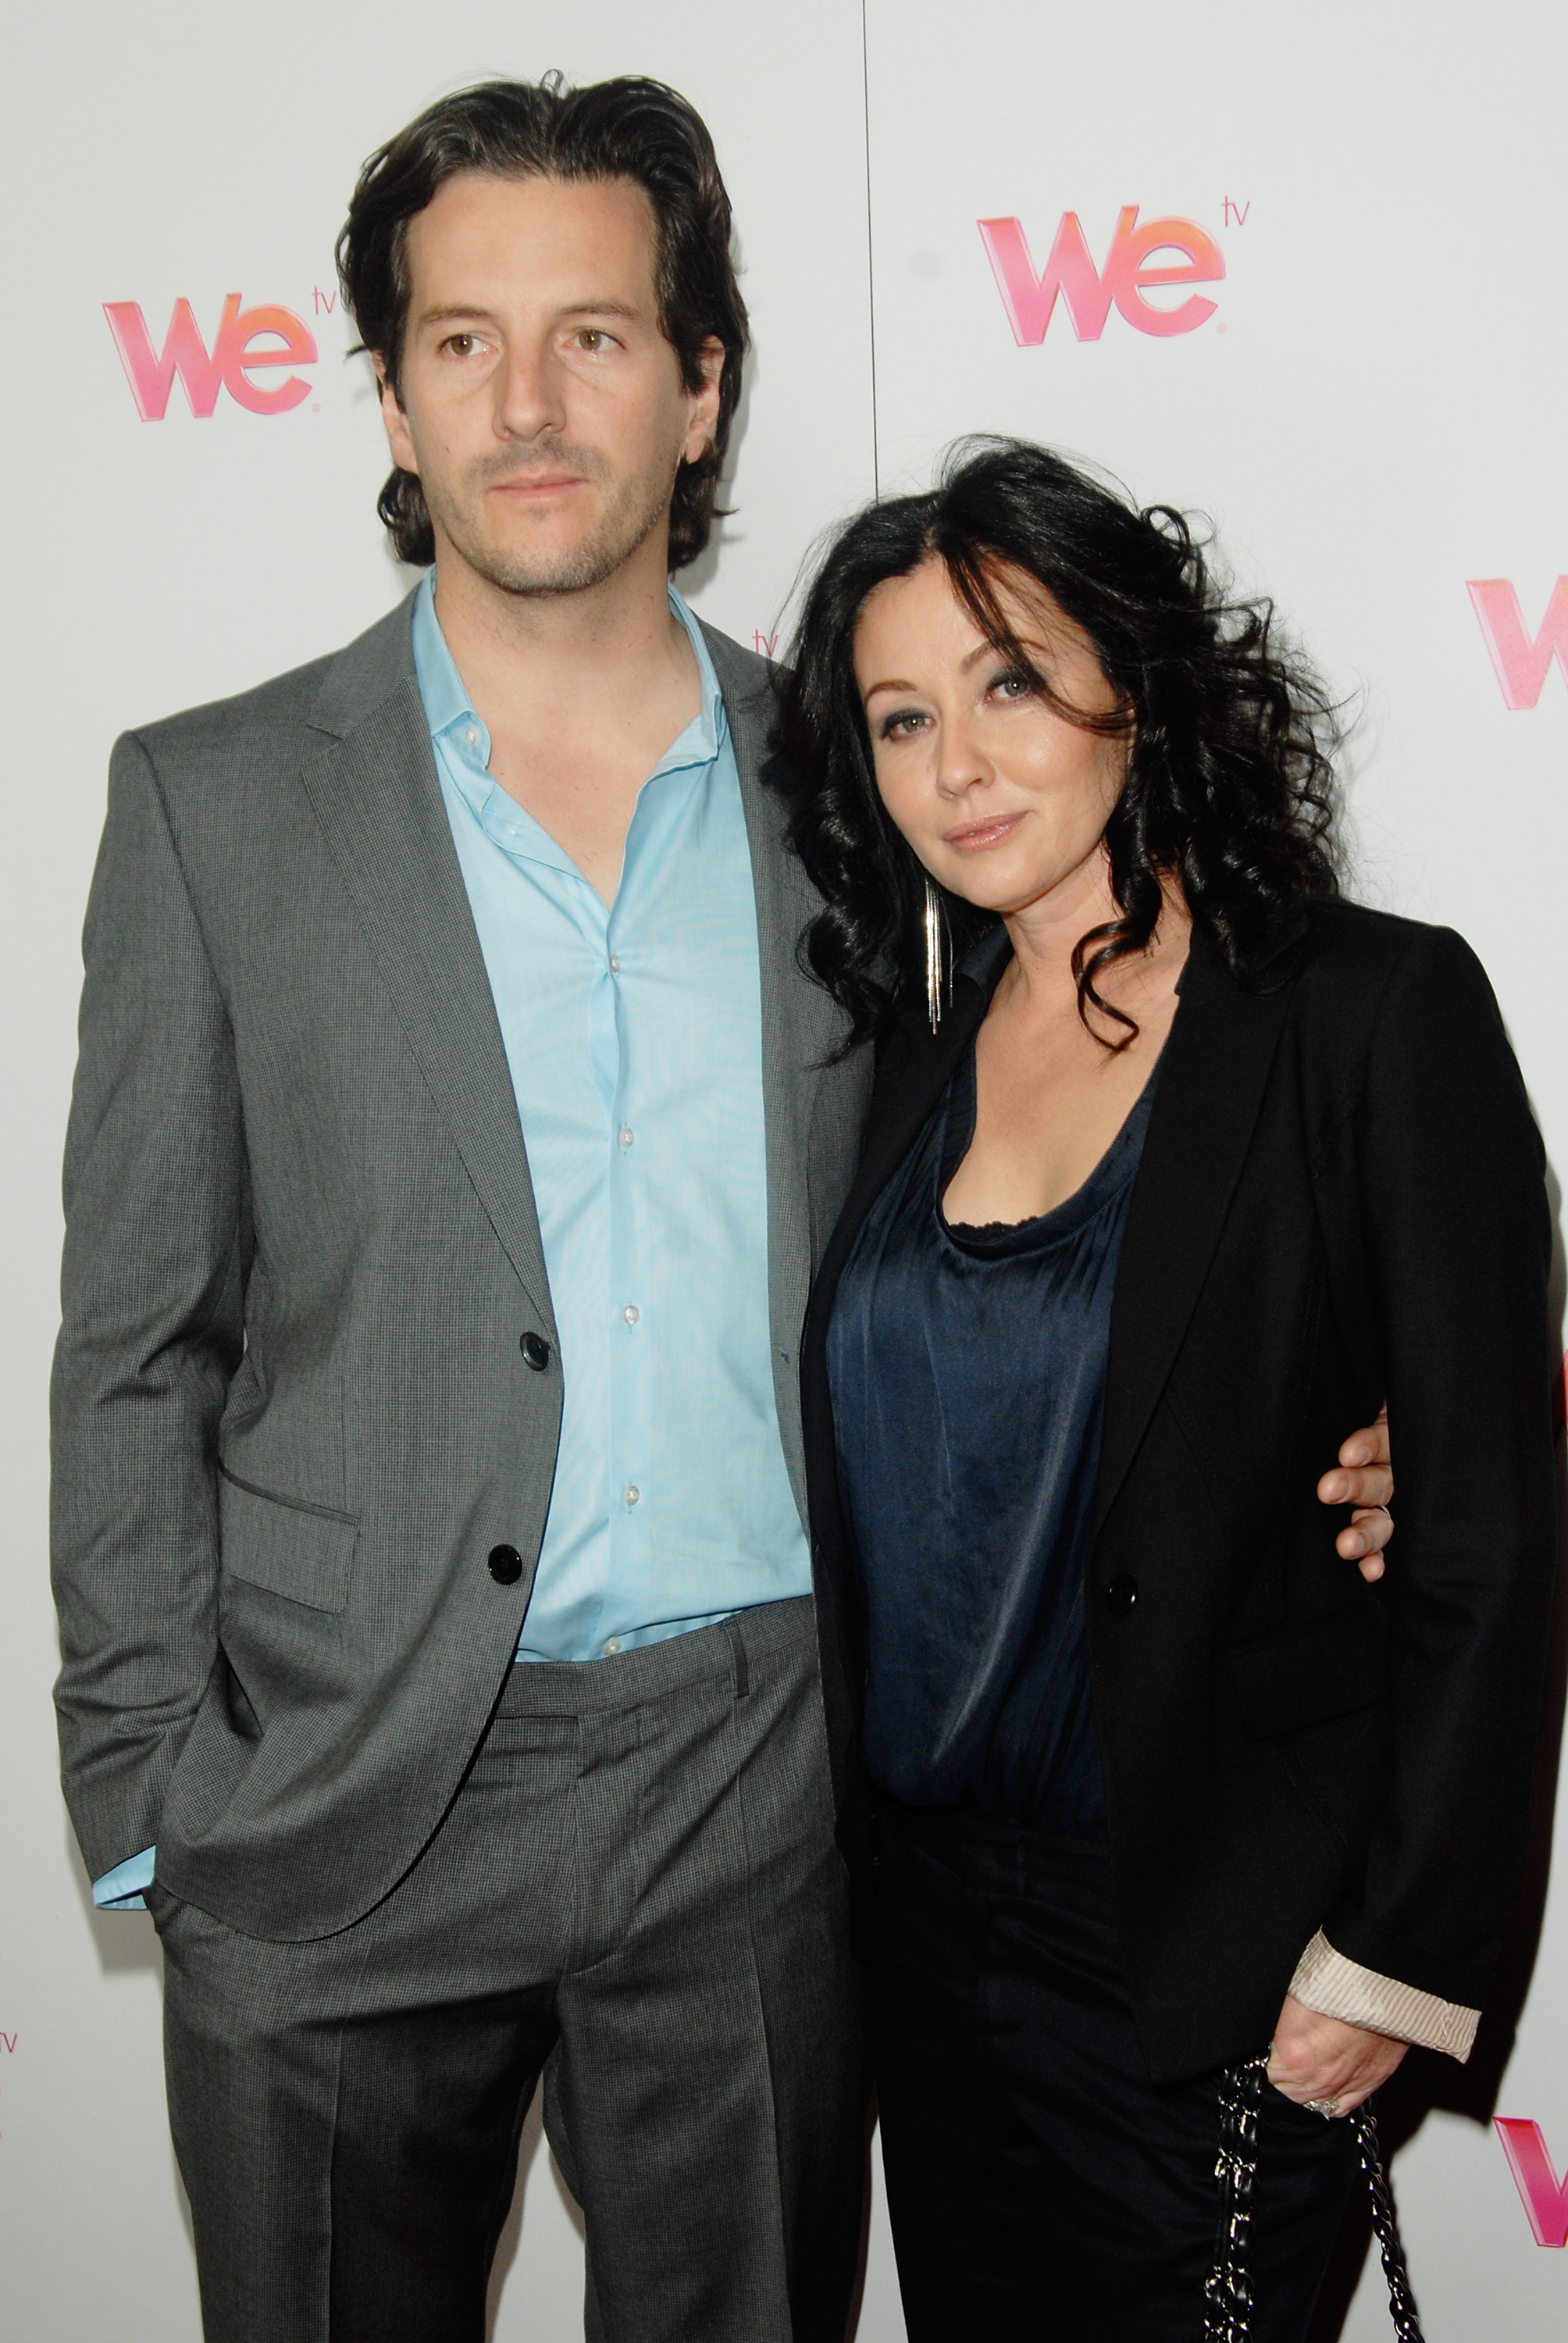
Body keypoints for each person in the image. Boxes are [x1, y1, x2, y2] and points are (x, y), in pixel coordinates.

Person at [48, 73, 1395, 2343]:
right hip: (335, 1787)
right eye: (461, 341)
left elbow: (1078, 1182)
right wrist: (156, 1799)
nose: (529, 400)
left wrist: (1345, 1430)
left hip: (756, 1793)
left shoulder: (867, 795)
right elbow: (134, 1338)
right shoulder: (205, 809)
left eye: (595, 334)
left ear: (703, 381)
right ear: (388, 392)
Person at [776, 440, 1558, 2342]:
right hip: (923, 1942)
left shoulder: (1364, 1015)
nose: (952, 762)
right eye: (897, 718)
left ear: (1138, 677)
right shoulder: (899, 1063)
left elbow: (1486, 1527)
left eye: (1009, 680)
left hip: (1206, 1944)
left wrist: (1387, 1955)